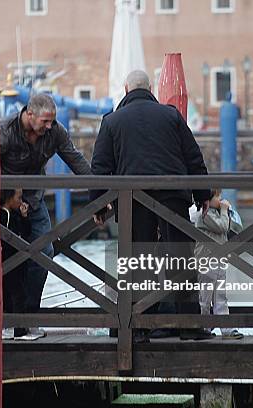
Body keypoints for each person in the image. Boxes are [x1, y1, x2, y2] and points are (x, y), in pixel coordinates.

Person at [91, 70, 213, 341]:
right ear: (150, 89)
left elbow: (100, 168)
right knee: (180, 258)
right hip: (172, 195)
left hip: (133, 199)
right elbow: (193, 156)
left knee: (138, 261)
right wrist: (202, 193)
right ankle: (189, 326)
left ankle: (138, 327)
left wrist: (99, 206)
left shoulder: (111, 121)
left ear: (126, 89)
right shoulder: (171, 115)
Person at [0, 93, 92, 338]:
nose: (48, 126)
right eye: (44, 121)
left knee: (44, 253)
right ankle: (7, 318)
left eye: (52, 121)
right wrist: (8, 198)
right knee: (5, 261)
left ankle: (29, 316)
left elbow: (75, 159)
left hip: (35, 201)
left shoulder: (55, 132)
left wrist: (99, 191)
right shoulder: (5, 131)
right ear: (29, 114)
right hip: (4, 205)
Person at [194, 189, 244, 339]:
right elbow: (222, 226)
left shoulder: (216, 213)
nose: (220, 199)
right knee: (205, 298)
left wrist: (228, 212)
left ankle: (226, 329)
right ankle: (204, 327)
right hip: (206, 261)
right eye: (217, 196)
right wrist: (224, 210)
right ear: (206, 200)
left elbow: (231, 227)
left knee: (221, 296)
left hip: (219, 260)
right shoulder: (204, 215)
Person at [0, 189, 31, 340]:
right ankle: (18, 330)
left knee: (17, 294)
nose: (21, 200)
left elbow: (25, 233)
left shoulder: (15, 214)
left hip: (16, 263)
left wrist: (24, 217)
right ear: (8, 198)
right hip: (8, 262)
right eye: (18, 197)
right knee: (17, 295)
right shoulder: (3, 215)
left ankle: (17, 328)